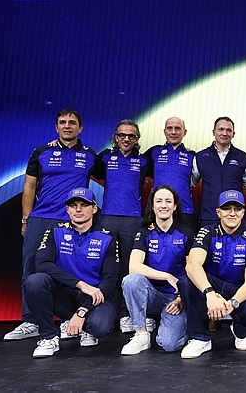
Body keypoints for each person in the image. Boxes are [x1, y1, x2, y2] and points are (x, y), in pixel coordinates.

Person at [4, 109, 96, 342]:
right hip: (40, 218)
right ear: (56, 127)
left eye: (72, 122)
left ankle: (68, 318)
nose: (67, 126)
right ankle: (31, 321)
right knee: (31, 269)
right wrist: (26, 218)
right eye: (62, 122)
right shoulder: (41, 152)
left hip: (72, 221)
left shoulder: (90, 155)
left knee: (70, 271)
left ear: (80, 128)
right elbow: (29, 187)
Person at [24, 188, 118, 358]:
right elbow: (42, 264)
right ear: (67, 210)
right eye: (73, 205)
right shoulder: (55, 231)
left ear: (94, 209)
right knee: (35, 281)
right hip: (64, 295)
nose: (78, 209)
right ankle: (49, 337)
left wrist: (82, 311)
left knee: (99, 327)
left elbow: (110, 280)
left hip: (95, 298)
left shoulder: (107, 237)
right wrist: (80, 284)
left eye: (84, 205)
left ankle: (84, 327)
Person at [180, 190, 246, 358]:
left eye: (237, 209)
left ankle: (241, 332)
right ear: (218, 212)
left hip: (237, 288)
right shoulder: (207, 232)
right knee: (186, 281)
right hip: (213, 284)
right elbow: (192, 265)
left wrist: (231, 304)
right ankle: (200, 338)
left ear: (243, 212)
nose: (232, 213)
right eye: (227, 208)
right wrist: (210, 294)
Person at [93, 119, 152, 334]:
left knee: (130, 269)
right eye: (122, 135)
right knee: (107, 267)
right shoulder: (103, 158)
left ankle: (128, 314)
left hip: (133, 220)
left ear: (137, 139)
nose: (126, 139)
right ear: (115, 137)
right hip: (107, 218)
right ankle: (105, 312)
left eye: (131, 136)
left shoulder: (145, 161)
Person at [120, 185, 194, 355]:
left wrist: (182, 299)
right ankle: (141, 334)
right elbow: (133, 266)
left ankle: (180, 326)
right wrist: (166, 276)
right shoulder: (144, 233)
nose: (163, 205)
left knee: (169, 344)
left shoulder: (186, 234)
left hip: (175, 299)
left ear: (175, 206)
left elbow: (192, 270)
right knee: (131, 280)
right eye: (159, 201)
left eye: (168, 201)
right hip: (151, 295)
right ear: (152, 206)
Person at [192, 117, 246, 227]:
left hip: (235, 217)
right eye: (221, 129)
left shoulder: (243, 157)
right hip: (209, 217)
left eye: (228, 130)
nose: (224, 133)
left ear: (233, 134)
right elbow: (190, 183)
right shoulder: (200, 157)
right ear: (214, 132)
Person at [145, 117, 199, 234]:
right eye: (170, 128)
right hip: (159, 210)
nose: (173, 132)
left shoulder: (192, 155)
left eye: (177, 128)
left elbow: (195, 180)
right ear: (165, 132)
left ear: (184, 132)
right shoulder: (153, 152)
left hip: (185, 211)